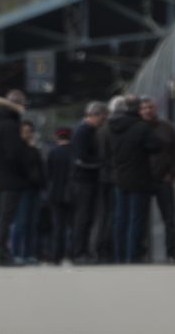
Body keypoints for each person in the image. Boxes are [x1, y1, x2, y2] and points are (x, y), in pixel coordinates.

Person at [110, 95, 163, 263]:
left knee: (120, 219)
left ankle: (120, 255)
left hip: (119, 178)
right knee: (136, 219)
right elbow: (156, 145)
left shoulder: (113, 127)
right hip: (139, 178)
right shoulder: (142, 127)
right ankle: (132, 256)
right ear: (137, 109)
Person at [0, 90, 35, 266]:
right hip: (10, 177)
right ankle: (1, 251)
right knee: (5, 217)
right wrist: (25, 169)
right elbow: (13, 154)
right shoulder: (10, 125)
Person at [143, 97, 175, 263]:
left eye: (150, 107)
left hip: (164, 180)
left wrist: (172, 175)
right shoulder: (137, 128)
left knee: (169, 219)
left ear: (155, 108)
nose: (147, 111)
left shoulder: (167, 128)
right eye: (144, 108)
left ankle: (171, 254)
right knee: (139, 220)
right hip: (142, 181)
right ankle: (140, 253)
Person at [70, 101, 108, 262]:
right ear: (95, 115)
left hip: (87, 180)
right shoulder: (84, 131)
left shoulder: (87, 130)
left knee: (87, 217)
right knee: (83, 217)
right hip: (84, 181)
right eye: (102, 118)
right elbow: (81, 158)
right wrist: (101, 162)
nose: (103, 122)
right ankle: (79, 252)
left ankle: (83, 250)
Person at [95, 96, 126, 263]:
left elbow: (101, 155)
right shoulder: (126, 128)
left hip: (104, 177)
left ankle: (103, 249)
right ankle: (114, 249)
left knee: (106, 214)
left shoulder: (102, 130)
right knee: (117, 214)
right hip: (119, 177)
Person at [11, 120, 45, 264]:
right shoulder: (17, 150)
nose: (28, 134)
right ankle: (16, 253)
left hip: (34, 189)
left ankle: (29, 253)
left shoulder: (34, 150)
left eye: (29, 131)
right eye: (25, 131)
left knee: (32, 223)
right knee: (21, 222)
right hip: (22, 190)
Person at [47, 127, 74, 265]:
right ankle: (70, 254)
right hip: (71, 193)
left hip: (55, 193)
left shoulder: (53, 152)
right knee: (72, 225)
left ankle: (56, 256)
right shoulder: (73, 152)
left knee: (58, 226)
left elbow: (49, 173)